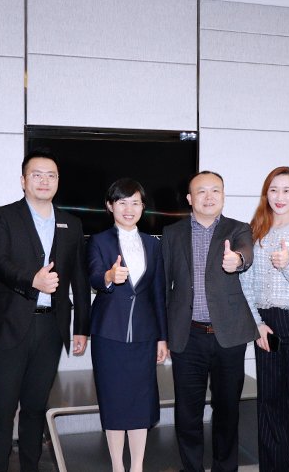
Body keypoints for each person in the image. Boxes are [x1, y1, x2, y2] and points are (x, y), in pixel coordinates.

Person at [0, 149, 91, 472]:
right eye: (36, 174)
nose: (44, 181)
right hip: (10, 326)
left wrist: (82, 327)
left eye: (51, 175)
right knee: (2, 409)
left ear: (58, 182)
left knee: (36, 409)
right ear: (23, 180)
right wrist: (33, 280)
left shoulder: (71, 223)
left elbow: (80, 278)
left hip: (51, 328)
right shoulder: (3, 216)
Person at [162, 170, 257, 472]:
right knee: (187, 413)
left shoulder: (238, 228)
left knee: (227, 410)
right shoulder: (172, 232)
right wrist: (162, 335)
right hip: (187, 336)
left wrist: (237, 260)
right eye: (201, 191)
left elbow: (246, 252)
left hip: (228, 335)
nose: (209, 196)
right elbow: (163, 286)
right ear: (190, 199)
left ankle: (225, 468)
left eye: (215, 190)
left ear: (223, 196)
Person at [240, 167, 289, 471]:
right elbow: (244, 284)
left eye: (287, 190)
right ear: (266, 194)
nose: (280, 196)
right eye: (274, 190)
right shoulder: (254, 232)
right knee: (270, 401)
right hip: (267, 325)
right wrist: (257, 324)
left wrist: (288, 263)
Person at [87, 178, 168, 472]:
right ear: (110, 206)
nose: (129, 208)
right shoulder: (98, 241)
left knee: (140, 403)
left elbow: (158, 293)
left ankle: (137, 466)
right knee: (113, 402)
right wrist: (109, 277)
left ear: (143, 207)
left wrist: (162, 337)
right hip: (109, 333)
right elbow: (94, 275)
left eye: (135, 202)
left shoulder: (153, 244)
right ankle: (117, 467)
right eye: (122, 202)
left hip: (145, 335)